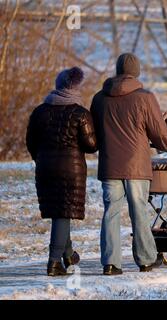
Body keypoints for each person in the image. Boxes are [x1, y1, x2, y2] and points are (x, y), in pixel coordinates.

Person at [90, 53, 167, 276]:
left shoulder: (99, 98)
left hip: (109, 165)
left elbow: (94, 133)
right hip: (136, 165)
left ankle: (110, 263)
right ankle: (145, 260)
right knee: (139, 211)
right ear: (136, 71)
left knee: (111, 212)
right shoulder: (145, 97)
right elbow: (158, 132)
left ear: (118, 70)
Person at [26, 67, 97, 276]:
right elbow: (92, 145)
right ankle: (54, 262)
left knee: (60, 212)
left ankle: (68, 255)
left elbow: (31, 141)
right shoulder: (80, 113)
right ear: (76, 87)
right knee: (63, 213)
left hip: (45, 168)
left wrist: (39, 158)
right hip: (70, 170)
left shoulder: (40, 111)